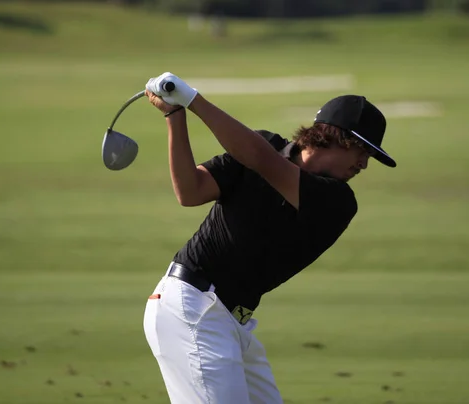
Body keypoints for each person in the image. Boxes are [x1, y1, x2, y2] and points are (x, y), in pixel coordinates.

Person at [142, 72, 396, 404]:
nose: (364, 163)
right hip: (191, 307)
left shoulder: (337, 200)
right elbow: (190, 191)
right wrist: (175, 115)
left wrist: (193, 101)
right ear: (336, 137)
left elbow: (261, 160)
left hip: (232, 323)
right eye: (362, 150)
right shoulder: (261, 146)